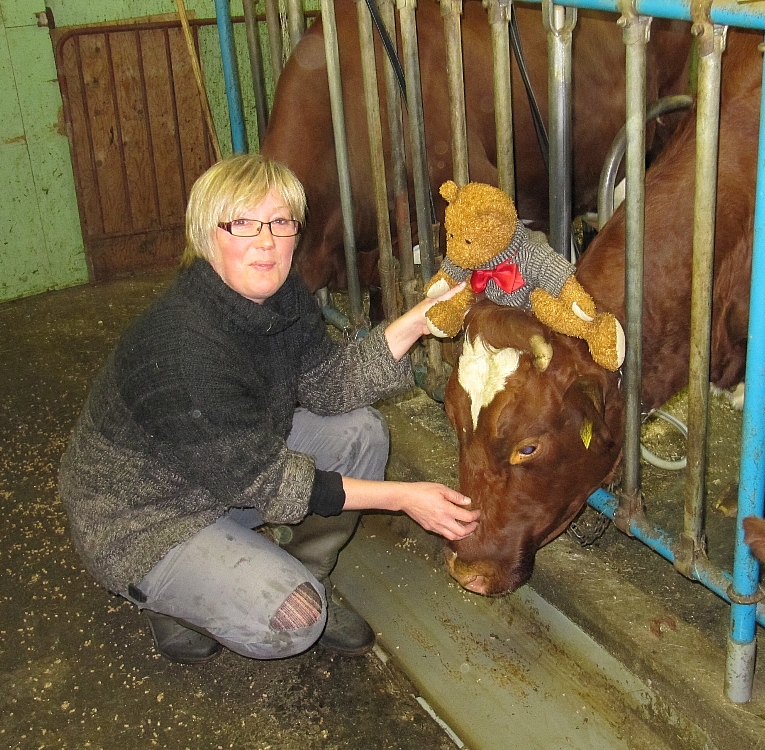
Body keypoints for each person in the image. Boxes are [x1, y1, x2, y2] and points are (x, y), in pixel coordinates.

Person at [59, 154, 478, 664]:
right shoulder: (183, 348)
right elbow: (272, 482)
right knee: (296, 621)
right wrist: (404, 498)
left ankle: (305, 573)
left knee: (361, 432)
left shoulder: (282, 295)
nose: (266, 241)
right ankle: (169, 596)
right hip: (147, 520)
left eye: (280, 222)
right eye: (242, 223)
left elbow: (329, 386)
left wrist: (414, 322)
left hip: (227, 472)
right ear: (206, 235)